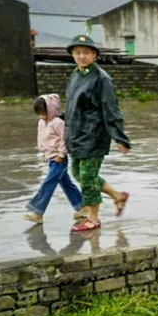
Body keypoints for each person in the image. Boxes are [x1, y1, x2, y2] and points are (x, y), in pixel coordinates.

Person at [65, 34, 131, 232]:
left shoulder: (101, 79)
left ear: (94, 55)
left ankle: (93, 218)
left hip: (93, 136)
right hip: (76, 135)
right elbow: (71, 106)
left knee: (87, 178)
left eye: (86, 53)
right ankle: (118, 196)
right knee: (77, 173)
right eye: (77, 53)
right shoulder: (76, 75)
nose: (81, 56)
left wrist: (120, 137)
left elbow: (111, 109)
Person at [24, 94, 86, 224]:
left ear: (51, 110)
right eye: (39, 114)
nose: (42, 116)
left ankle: (37, 211)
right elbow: (41, 138)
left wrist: (61, 154)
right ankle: (82, 206)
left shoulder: (58, 122)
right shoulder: (41, 123)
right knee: (66, 183)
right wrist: (43, 153)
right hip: (50, 157)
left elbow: (64, 139)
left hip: (59, 158)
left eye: (43, 113)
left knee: (49, 182)